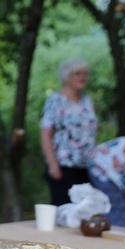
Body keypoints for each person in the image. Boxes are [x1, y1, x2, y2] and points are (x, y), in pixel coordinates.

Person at [40, 58, 97, 206]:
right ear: (67, 76)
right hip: (64, 165)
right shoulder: (56, 100)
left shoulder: (87, 101)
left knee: (85, 209)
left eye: (85, 73)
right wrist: (52, 164)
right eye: (78, 73)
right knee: (65, 209)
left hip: (86, 166)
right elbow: (46, 134)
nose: (83, 77)